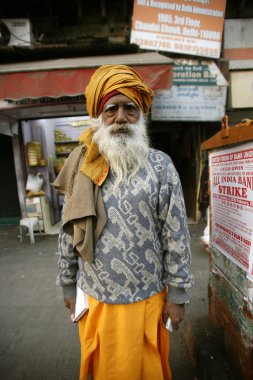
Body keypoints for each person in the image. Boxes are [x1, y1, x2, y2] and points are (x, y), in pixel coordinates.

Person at [53, 64, 193, 380]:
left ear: (141, 114)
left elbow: (177, 234)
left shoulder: (161, 166)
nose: (120, 118)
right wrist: (67, 281)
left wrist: (178, 294)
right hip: (95, 296)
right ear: (99, 116)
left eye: (130, 108)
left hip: (148, 298)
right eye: (111, 109)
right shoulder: (82, 163)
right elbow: (69, 229)